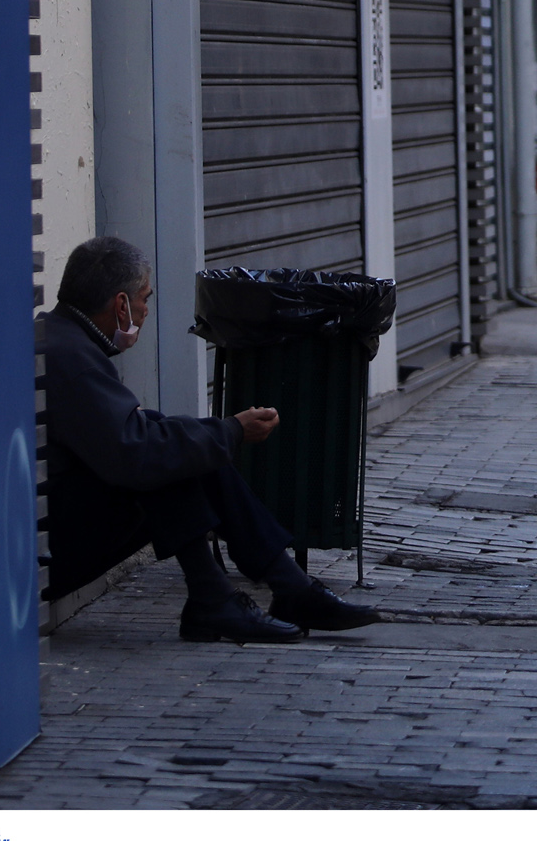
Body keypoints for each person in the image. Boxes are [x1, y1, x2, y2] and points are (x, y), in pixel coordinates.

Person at [42, 237, 380, 645]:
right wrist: (233, 431)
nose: (146, 311)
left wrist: (216, 433)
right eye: (144, 299)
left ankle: (252, 593)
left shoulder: (59, 339)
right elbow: (137, 455)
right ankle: (260, 593)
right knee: (166, 454)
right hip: (43, 559)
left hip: (51, 528)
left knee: (170, 440)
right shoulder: (72, 359)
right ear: (121, 305)